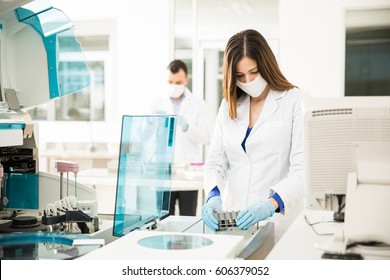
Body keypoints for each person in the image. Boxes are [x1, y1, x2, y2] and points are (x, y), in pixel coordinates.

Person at [202, 29, 306, 241]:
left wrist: (271, 203)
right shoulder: (228, 106)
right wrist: (213, 194)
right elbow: (216, 162)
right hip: (233, 220)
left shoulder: (295, 101)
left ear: (266, 65)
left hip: (276, 221)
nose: (248, 81)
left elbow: (303, 170)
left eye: (254, 72)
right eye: (240, 76)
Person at [151, 59, 212, 216]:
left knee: (188, 220)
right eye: (170, 82)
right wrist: (153, 125)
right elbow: (146, 137)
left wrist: (187, 127)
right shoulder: (156, 102)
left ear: (186, 80)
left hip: (188, 173)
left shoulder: (198, 103)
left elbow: (207, 137)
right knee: (162, 221)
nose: (174, 85)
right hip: (163, 171)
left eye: (178, 82)